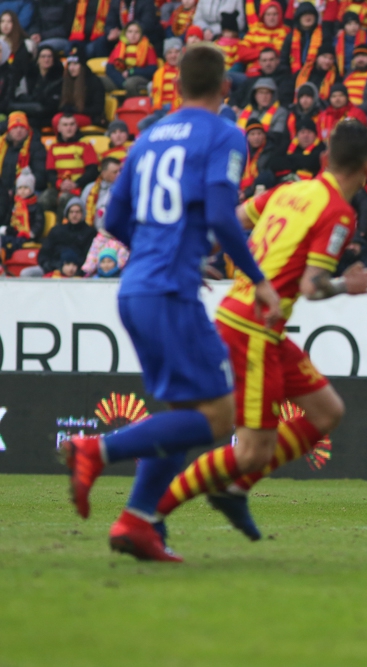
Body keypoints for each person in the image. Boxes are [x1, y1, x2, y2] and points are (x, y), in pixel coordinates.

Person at [58, 44, 282, 563]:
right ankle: (95, 449)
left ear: (176, 87)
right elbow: (223, 217)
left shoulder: (148, 136)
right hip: (170, 292)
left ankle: (138, 521)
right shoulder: (224, 134)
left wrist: (165, 250)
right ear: (225, 87)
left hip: (137, 287)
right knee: (220, 417)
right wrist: (258, 280)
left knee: (186, 411)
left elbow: (112, 219)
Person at [155, 119, 367, 541]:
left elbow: (230, 221)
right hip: (252, 329)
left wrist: (188, 256)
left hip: (259, 325)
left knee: (327, 411)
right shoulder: (338, 213)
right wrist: (345, 285)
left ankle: (234, 492)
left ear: (325, 156)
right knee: (250, 451)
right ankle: (151, 513)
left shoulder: (288, 190)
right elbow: (312, 287)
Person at [43, 114, 99, 216]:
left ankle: (61, 225)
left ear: (76, 126)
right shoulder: (53, 147)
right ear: (59, 128)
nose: (69, 128)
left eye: (72, 124)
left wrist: (76, 183)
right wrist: (60, 184)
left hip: (80, 187)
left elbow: (92, 170)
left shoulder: (85, 144)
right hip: (59, 187)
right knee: (44, 199)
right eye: (65, 125)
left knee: (65, 199)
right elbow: (50, 172)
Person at [0, 112, 47, 226]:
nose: (19, 131)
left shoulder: (36, 147)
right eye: (15, 127)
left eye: (22, 127)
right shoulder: (2, 146)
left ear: (27, 130)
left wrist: (17, 190)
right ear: (9, 130)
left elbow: (40, 177)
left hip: (27, 191)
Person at [33, 197, 96, 275]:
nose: (74, 215)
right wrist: (56, 266)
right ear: (67, 213)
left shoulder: (90, 233)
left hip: (78, 271)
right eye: (71, 212)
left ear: (83, 213)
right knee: (27, 273)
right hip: (53, 267)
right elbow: (44, 254)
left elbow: (89, 257)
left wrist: (73, 267)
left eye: (77, 212)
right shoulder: (56, 230)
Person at [10, 45, 64, 131]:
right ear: (38, 59)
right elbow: (20, 94)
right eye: (43, 56)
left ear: (53, 59)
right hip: (29, 112)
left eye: (49, 56)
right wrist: (33, 100)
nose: (46, 59)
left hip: (47, 115)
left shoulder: (60, 78)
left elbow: (52, 103)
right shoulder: (29, 75)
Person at [137, 38, 183, 131]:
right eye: (169, 53)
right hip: (160, 110)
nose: (173, 55)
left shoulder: (186, 72)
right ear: (165, 56)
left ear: (182, 54)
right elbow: (154, 97)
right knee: (142, 125)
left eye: (176, 52)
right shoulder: (158, 73)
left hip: (178, 109)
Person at [106, 21, 159, 96]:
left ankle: (132, 103)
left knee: (130, 83)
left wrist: (132, 72)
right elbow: (109, 68)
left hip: (139, 78)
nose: (133, 35)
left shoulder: (148, 47)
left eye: (136, 32)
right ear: (125, 33)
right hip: (120, 79)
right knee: (99, 81)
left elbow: (152, 69)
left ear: (141, 34)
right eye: (130, 32)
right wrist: (121, 81)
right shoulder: (118, 47)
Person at [237, 1, 288, 75]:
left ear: (280, 15)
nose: (271, 18)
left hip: (274, 73)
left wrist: (253, 52)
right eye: (268, 14)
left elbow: (277, 53)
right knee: (229, 75)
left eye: (275, 14)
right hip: (250, 73)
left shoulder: (285, 31)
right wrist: (264, 52)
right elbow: (241, 53)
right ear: (263, 15)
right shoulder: (255, 30)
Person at [59, 48, 106, 127]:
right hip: (69, 116)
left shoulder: (94, 82)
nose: (71, 68)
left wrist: (78, 110)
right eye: (69, 64)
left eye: (75, 64)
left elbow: (98, 108)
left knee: (62, 122)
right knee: (57, 119)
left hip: (88, 116)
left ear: (82, 66)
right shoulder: (65, 81)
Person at [0, 168, 43, 252]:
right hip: (14, 233)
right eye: (20, 188)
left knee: (16, 243)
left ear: (32, 189)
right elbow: (9, 218)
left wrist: (32, 233)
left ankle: (6, 256)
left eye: (26, 188)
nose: (22, 191)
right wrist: (5, 228)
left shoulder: (36, 206)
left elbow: (39, 222)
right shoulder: (15, 205)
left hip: (27, 235)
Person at [236, 78, 289, 143]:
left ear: (273, 95)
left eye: (267, 93)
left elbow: (277, 136)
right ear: (254, 95)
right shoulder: (244, 111)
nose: (264, 96)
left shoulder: (281, 112)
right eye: (261, 93)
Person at [80, 157, 120, 229]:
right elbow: (81, 211)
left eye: (120, 171)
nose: (119, 174)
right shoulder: (89, 189)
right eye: (115, 172)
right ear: (103, 174)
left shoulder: (124, 190)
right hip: (91, 231)